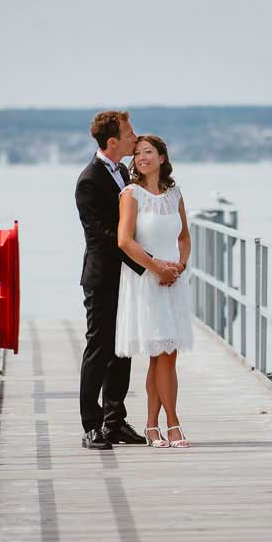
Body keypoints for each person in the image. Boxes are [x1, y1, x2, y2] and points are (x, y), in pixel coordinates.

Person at [74, 111, 162, 450]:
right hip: (102, 277)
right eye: (129, 134)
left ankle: (115, 420)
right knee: (99, 349)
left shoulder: (123, 171)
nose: (135, 138)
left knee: (122, 349)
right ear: (112, 142)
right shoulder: (89, 180)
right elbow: (104, 236)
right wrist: (148, 262)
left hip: (126, 275)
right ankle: (91, 424)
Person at [115, 134, 194, 448]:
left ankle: (151, 426)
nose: (141, 158)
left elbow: (185, 237)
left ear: (162, 157)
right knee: (161, 353)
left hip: (173, 281)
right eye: (136, 154)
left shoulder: (175, 193)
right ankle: (172, 424)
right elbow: (125, 241)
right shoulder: (131, 193)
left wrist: (180, 265)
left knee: (165, 356)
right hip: (147, 281)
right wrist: (157, 267)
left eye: (148, 152)